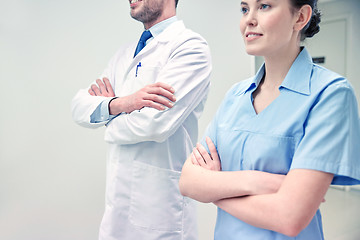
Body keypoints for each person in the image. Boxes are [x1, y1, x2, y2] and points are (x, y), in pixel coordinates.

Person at [179, 0, 360, 239]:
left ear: (301, 17)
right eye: (245, 9)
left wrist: (215, 190)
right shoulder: (236, 95)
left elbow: (289, 218)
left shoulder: (330, 94)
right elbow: (188, 181)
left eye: (264, 6)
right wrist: (259, 181)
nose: (249, 20)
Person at [71, 0, 212, 239]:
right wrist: (123, 103)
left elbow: (154, 124)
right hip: (117, 212)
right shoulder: (124, 54)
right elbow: (79, 107)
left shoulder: (190, 48)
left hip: (161, 214)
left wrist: (107, 117)